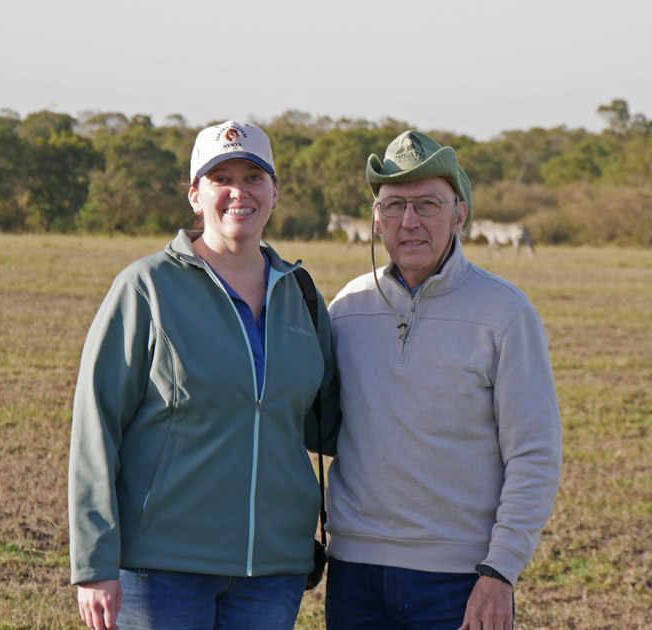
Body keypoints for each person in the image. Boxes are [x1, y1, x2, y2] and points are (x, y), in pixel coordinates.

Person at [68, 121, 339, 630]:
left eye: (254, 177)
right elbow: (95, 427)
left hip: (273, 570)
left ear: (275, 192)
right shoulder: (145, 287)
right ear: (196, 194)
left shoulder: (302, 296)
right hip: (163, 569)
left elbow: (332, 423)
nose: (240, 192)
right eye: (221, 178)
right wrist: (93, 563)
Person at [324, 130, 562, 630]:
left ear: (460, 214)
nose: (409, 221)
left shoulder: (506, 313)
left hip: (461, 579)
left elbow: (534, 453)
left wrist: (500, 571)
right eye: (393, 206)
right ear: (375, 218)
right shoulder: (345, 309)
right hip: (354, 573)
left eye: (427, 204)